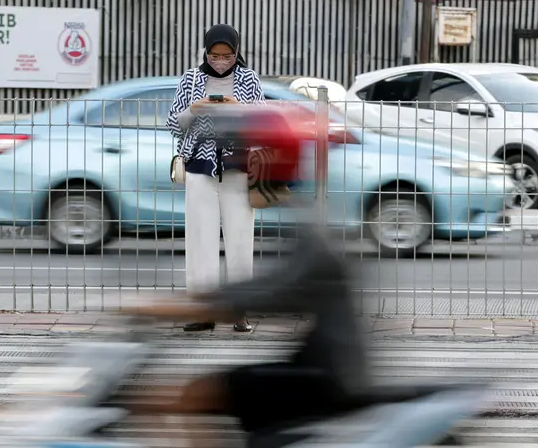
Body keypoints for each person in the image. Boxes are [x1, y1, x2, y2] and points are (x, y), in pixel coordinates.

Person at [126, 227, 374, 435]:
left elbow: (272, 291)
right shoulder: (314, 233)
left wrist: (192, 305)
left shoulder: (316, 244)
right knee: (195, 393)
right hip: (323, 367)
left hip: (328, 378)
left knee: (201, 392)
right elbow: (269, 286)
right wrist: (196, 301)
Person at [166, 24, 265, 332]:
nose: (221, 60)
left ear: (237, 52)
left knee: (239, 241)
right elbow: (173, 124)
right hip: (199, 168)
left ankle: (239, 311)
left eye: (228, 54)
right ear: (205, 51)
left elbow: (263, 122)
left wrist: (239, 109)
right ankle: (203, 311)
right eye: (215, 54)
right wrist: (193, 110)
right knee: (199, 242)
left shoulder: (248, 79)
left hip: (238, 169)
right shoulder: (191, 78)